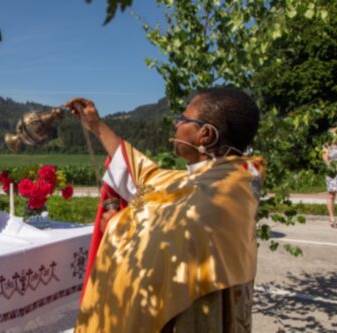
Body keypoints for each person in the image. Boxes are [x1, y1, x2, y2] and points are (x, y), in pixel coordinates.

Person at [66, 87, 265, 333]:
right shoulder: (232, 178)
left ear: (205, 134)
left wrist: (116, 225)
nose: (176, 124)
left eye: (183, 119)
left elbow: (158, 247)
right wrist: (97, 126)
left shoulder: (214, 198)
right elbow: (149, 175)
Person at [322, 128, 337, 228]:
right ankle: (332, 218)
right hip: (333, 173)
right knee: (331, 195)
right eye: (334, 133)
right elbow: (326, 161)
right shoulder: (326, 146)